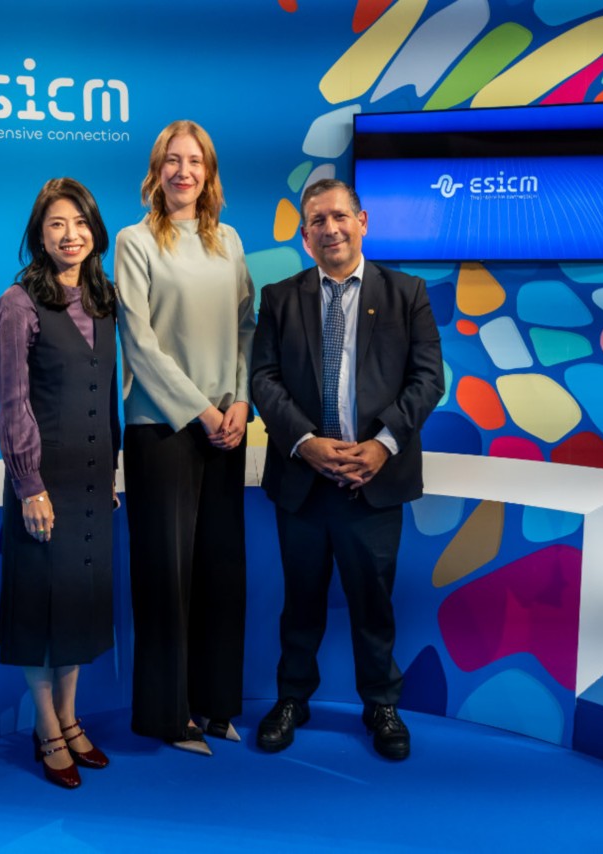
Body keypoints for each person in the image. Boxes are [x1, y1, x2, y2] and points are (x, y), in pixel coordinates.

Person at [249, 178, 443, 761]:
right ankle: (292, 698)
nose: (330, 229)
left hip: (374, 482)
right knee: (300, 602)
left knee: (373, 603)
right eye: (317, 221)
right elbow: (263, 380)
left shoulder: (406, 293)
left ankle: (381, 704)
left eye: (339, 216)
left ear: (362, 221)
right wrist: (306, 442)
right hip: (303, 481)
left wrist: (382, 445)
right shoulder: (280, 298)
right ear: (305, 235)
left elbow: (428, 379)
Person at [115, 120, 256, 755]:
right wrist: (201, 410)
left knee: (222, 573)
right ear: (157, 171)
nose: (183, 171)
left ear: (209, 172)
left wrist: (242, 400)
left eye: (195, 161)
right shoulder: (135, 241)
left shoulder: (229, 240)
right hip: (163, 429)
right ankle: (167, 717)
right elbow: (139, 343)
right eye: (172, 160)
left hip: (227, 428)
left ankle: (216, 705)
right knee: (165, 578)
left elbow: (247, 326)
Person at [0, 177, 120, 789]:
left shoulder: (103, 298)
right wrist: (29, 484)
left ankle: (70, 718)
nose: (71, 235)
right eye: (57, 225)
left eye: (81, 223)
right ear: (39, 236)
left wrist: (111, 472)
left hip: (94, 481)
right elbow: (13, 403)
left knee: (77, 607)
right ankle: (46, 728)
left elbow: (106, 395)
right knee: (41, 611)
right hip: (44, 484)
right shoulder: (17, 305)